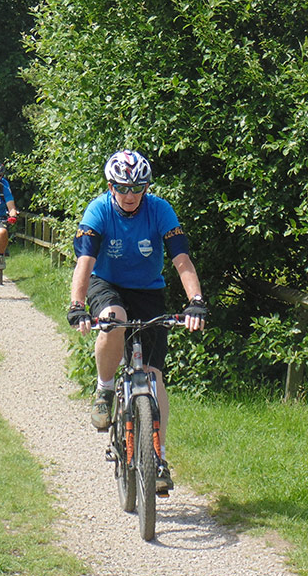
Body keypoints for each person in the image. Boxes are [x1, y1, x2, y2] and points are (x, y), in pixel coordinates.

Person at [66, 149, 207, 494]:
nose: (130, 196)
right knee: (114, 318)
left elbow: (182, 260)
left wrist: (196, 302)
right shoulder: (99, 210)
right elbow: (85, 261)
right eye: (123, 188)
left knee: (155, 376)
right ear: (111, 186)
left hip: (148, 290)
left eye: (137, 188)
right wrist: (77, 304)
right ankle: (105, 386)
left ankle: (157, 456)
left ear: (146, 186)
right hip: (107, 284)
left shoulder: (159, 210)